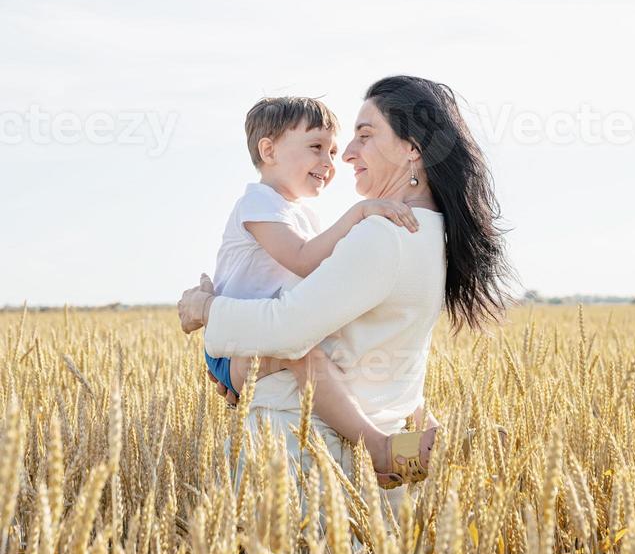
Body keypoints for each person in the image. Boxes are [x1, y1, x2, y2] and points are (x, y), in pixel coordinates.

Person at [179, 75, 514, 488]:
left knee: (301, 355)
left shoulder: (383, 232)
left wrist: (206, 310)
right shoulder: (431, 234)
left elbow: (288, 329)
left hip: (304, 453)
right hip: (354, 452)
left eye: (364, 136)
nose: (346, 155)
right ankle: (384, 447)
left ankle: (379, 448)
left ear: (413, 149)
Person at [202, 95, 427, 486]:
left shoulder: (301, 213)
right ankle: (376, 447)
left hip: (260, 333)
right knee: (306, 356)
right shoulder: (257, 204)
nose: (330, 162)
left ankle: (417, 423)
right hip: (236, 347)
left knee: (334, 356)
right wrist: (359, 213)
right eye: (316, 147)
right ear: (268, 150)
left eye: (334, 150)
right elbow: (306, 260)